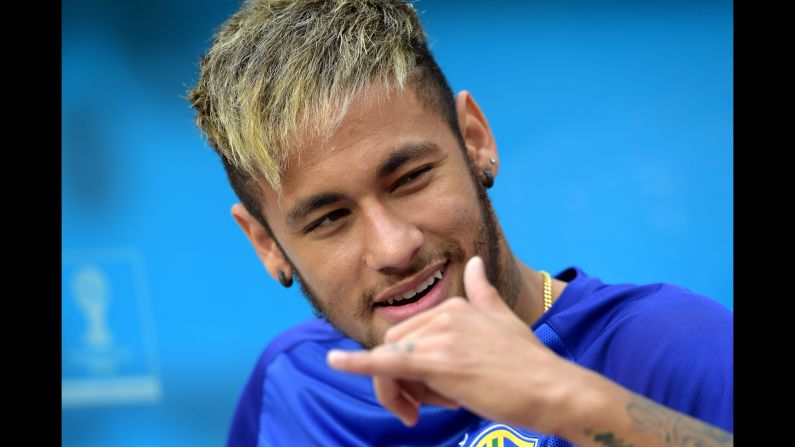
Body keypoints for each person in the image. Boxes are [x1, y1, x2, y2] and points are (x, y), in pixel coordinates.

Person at [188, 1, 733, 445]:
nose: (394, 247)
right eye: (330, 218)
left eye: (411, 178)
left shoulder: (677, 348)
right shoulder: (291, 388)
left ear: (474, 141)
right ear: (267, 244)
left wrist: (565, 399)